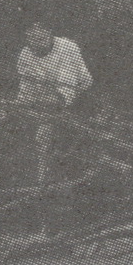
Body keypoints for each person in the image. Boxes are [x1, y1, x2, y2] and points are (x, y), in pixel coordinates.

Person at [14, 21, 93, 186]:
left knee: (51, 136)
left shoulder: (66, 48)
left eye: (41, 38)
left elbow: (66, 93)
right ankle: (41, 179)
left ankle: (57, 179)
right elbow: (26, 90)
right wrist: (14, 107)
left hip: (81, 98)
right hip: (47, 102)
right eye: (31, 39)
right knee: (36, 136)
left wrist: (35, 104)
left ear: (49, 32)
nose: (37, 44)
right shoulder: (25, 55)